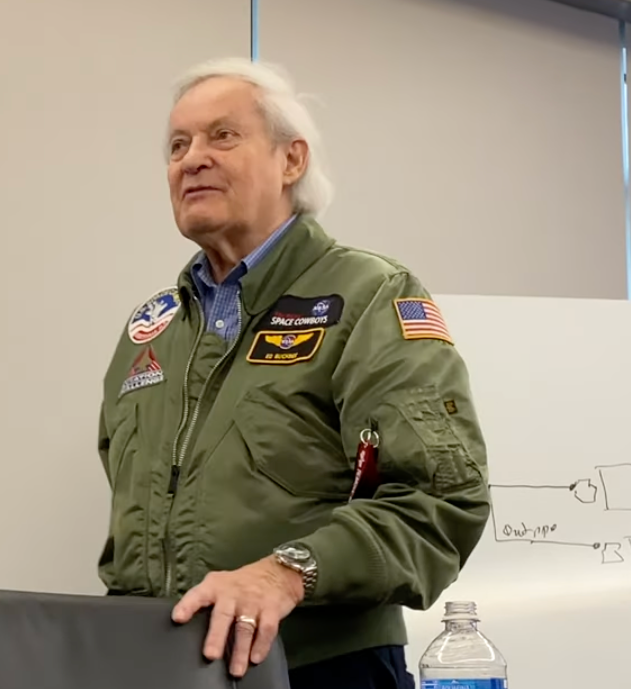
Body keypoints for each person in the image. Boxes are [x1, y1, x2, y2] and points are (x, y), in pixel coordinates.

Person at [96, 57, 491, 689]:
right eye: (178, 145)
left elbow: (440, 501)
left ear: (292, 160)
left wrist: (287, 571)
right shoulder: (154, 328)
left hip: (320, 669)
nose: (192, 159)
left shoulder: (369, 295)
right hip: (159, 670)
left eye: (223, 135)